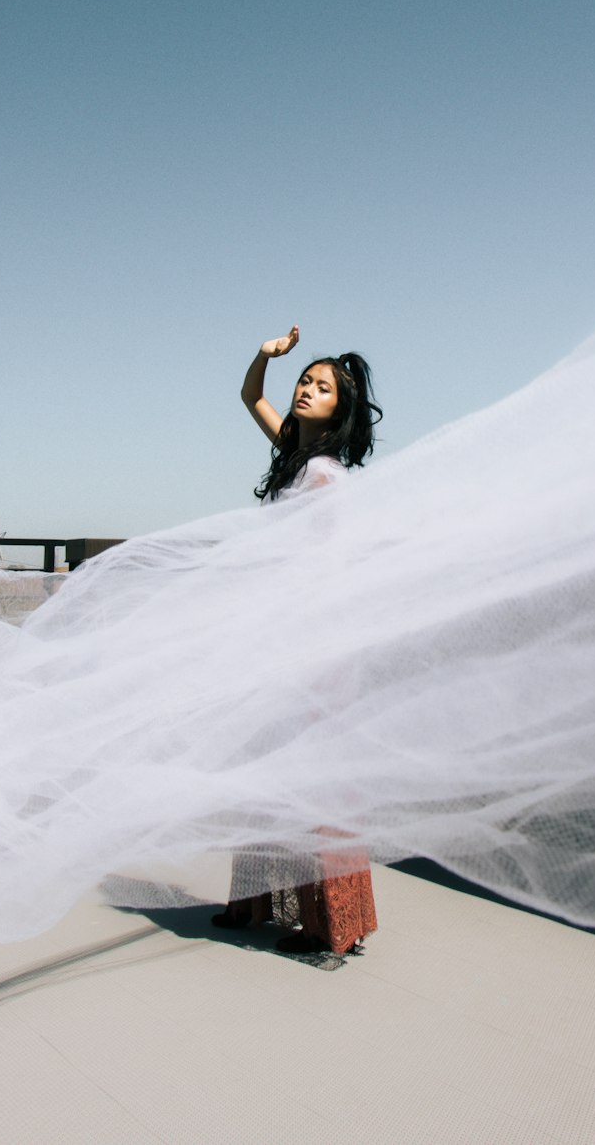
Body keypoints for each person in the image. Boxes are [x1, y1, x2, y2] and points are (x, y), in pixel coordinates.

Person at [211, 325, 383, 955]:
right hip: (277, 640)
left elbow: (331, 571)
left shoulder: (327, 479)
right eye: (304, 382)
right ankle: (253, 903)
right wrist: (264, 353)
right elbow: (248, 393)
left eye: (322, 388)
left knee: (315, 782)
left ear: (342, 409)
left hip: (313, 647)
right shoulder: (293, 453)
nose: (306, 391)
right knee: (263, 771)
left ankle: (330, 925)